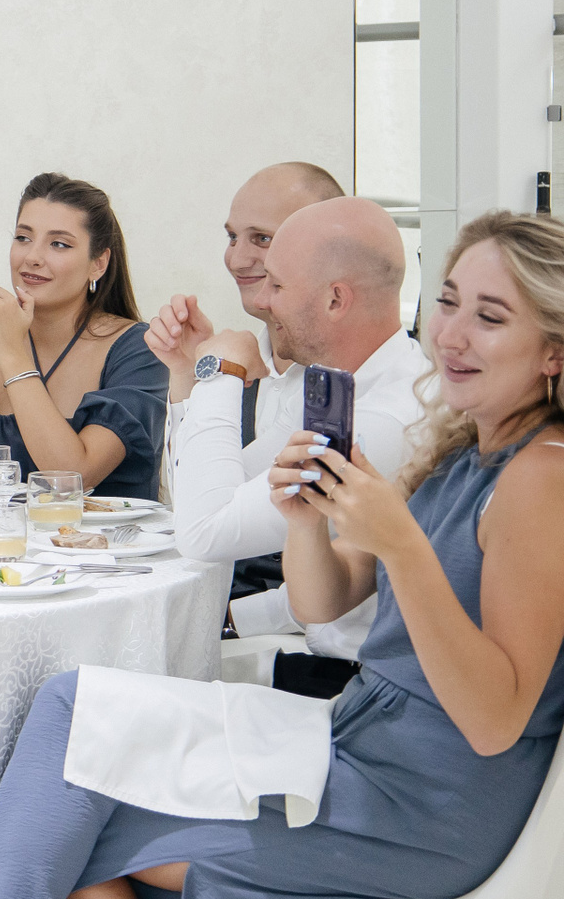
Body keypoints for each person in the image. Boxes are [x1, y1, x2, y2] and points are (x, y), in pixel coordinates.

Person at [0, 210, 564, 899]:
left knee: (69, 748)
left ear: (553, 353)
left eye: (489, 318)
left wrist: (403, 547)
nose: (452, 335)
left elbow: (495, 721)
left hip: (422, 799)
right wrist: (304, 519)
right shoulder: (464, 449)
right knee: (67, 798)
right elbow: (323, 601)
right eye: (450, 302)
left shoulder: (541, 479)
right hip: (361, 742)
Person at [148, 187, 425, 676]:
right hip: (311, 647)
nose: (260, 300)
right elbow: (196, 501)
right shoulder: (340, 382)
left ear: (335, 299)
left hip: (352, 676)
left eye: (276, 285)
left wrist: (221, 373)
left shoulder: (387, 418)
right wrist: (188, 375)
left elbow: (203, 533)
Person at [0, 173, 168, 498]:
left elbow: (71, 477)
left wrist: (11, 355)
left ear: (98, 264)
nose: (32, 257)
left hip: (109, 533)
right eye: (23, 238)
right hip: (2, 531)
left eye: (59, 244)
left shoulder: (139, 349)